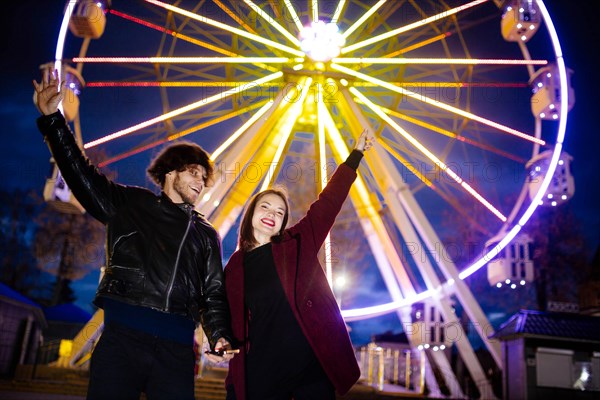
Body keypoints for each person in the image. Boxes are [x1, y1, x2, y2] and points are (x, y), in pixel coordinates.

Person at [33, 66, 235, 400]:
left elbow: (212, 292)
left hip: (176, 347)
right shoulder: (130, 204)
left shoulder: (205, 234)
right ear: (170, 173)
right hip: (123, 336)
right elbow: (82, 175)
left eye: (204, 178)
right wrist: (53, 121)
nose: (201, 182)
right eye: (194, 173)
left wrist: (220, 334)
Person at [224, 130, 373, 400]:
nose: (271, 214)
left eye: (279, 212)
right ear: (252, 214)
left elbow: (328, 204)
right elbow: (228, 318)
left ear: (283, 222)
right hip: (263, 369)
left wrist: (355, 155)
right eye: (265, 207)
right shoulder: (235, 267)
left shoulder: (296, 244)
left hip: (309, 369)